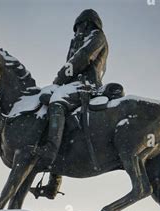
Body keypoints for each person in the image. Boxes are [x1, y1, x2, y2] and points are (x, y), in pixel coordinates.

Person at [35, 9, 108, 167]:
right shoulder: (78, 41)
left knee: (57, 101)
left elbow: (82, 58)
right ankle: (53, 183)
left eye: (79, 27)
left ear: (88, 24)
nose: (77, 31)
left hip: (87, 85)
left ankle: (51, 149)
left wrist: (59, 79)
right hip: (72, 85)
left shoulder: (97, 36)